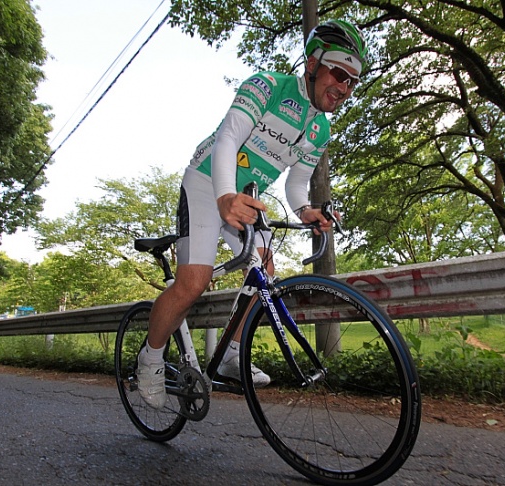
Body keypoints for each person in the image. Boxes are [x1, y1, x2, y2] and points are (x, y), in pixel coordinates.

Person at [136, 20, 368, 409]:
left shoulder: (320, 129)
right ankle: (150, 359)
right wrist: (224, 195)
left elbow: (297, 182)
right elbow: (228, 137)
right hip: (208, 180)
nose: (343, 88)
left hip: (245, 196)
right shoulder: (267, 86)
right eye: (339, 74)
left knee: (264, 268)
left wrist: (306, 209)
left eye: (352, 82)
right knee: (194, 283)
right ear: (312, 64)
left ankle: (231, 354)